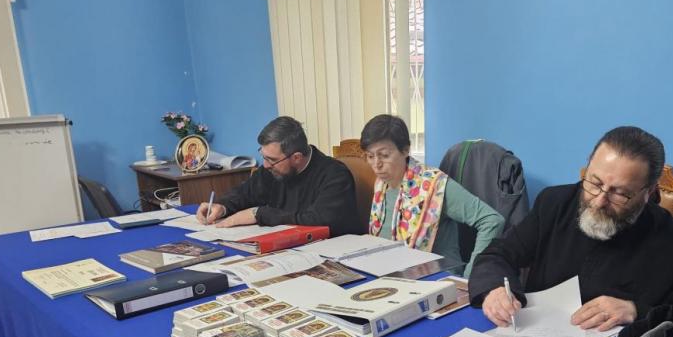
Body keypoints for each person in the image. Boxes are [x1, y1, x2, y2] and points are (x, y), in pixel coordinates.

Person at [469, 126, 673, 337]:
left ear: (648, 192)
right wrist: (495, 290)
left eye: (620, 193)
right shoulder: (554, 203)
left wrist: (636, 311)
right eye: (595, 183)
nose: (599, 201)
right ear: (588, 167)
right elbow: (496, 255)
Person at [361, 114, 504, 277]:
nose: (376, 165)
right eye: (370, 156)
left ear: (406, 150)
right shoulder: (381, 186)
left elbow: (492, 221)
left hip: (434, 279)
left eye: (385, 155)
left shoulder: (434, 186)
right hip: (389, 274)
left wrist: (471, 277)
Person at [197, 116, 363, 236]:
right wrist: (222, 206)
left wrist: (259, 214)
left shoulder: (335, 175)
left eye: (272, 159)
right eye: (263, 156)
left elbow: (318, 220)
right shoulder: (272, 170)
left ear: (296, 157)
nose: (265, 165)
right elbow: (245, 193)